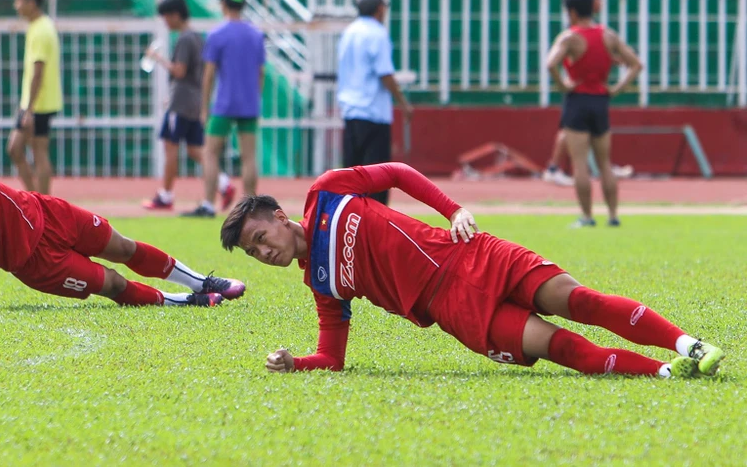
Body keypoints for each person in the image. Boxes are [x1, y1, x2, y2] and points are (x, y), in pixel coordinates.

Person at [219, 162, 725, 378]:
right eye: (253, 254)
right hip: (454, 308)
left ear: (279, 218)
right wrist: (297, 363)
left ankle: (690, 346)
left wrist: (453, 209)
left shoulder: (328, 190)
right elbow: (332, 356)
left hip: (471, 254)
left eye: (260, 238)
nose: (264, 253)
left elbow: (397, 173)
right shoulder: (322, 284)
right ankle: (665, 373)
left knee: (579, 301)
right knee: (560, 348)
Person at [0, 110, 246, 311]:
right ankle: (188, 302)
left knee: (123, 247)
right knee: (113, 284)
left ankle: (202, 282)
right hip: (37, 264)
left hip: (49, 213)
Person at [546, 0, 643, 227]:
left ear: (572, 12)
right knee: (605, 163)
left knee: (580, 163)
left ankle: (587, 216)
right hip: (601, 100)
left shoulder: (570, 37)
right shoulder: (608, 35)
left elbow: (550, 64)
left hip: (577, 100)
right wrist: (617, 89)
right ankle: (613, 216)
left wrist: (563, 85)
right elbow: (636, 64)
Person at [142, 0, 234, 211]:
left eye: (166, 16)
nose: (165, 22)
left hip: (181, 102)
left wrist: (157, 58)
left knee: (170, 146)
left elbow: (180, 71)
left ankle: (165, 195)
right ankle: (224, 183)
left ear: (176, 15)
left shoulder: (184, 39)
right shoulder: (197, 37)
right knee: (195, 149)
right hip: (194, 100)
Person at [182, 0, 265, 218]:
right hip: (249, 104)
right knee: (249, 157)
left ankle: (209, 204)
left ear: (223, 4)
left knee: (210, 153)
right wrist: (255, 99)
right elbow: (261, 72)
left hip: (224, 104)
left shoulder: (217, 34)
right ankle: (250, 207)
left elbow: (209, 75)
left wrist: (204, 107)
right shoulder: (256, 34)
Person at [336, 0, 413, 206]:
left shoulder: (348, 32)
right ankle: (375, 224)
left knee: (351, 180)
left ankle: (347, 220)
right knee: (376, 180)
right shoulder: (377, 34)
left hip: (351, 111)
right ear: (380, 9)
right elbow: (385, 73)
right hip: (373, 112)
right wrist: (403, 103)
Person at [7, 0, 62, 195]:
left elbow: (38, 72)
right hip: (36, 103)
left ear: (31, 2)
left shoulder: (41, 30)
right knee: (20, 149)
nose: (16, 6)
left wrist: (29, 109)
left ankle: (41, 201)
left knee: (33, 151)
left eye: (19, 0)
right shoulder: (40, 26)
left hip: (39, 104)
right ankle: (36, 198)